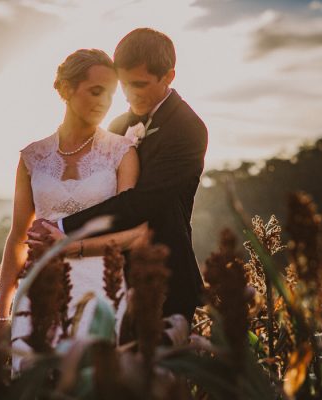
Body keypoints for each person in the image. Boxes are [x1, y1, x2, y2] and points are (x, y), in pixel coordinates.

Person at [29, 28, 208, 324]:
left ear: (169, 77)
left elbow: (141, 203)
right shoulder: (119, 123)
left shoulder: (188, 129)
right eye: (123, 84)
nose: (129, 94)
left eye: (139, 85)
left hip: (165, 278)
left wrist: (63, 226)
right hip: (108, 276)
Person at [0, 48, 145, 372]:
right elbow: (18, 235)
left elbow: (135, 233)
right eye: (95, 91)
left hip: (100, 289)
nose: (104, 101)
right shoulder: (32, 157)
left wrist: (69, 248)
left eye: (110, 94)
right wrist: (1, 312)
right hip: (39, 287)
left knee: (87, 382)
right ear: (66, 89)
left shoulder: (121, 152)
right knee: (32, 380)